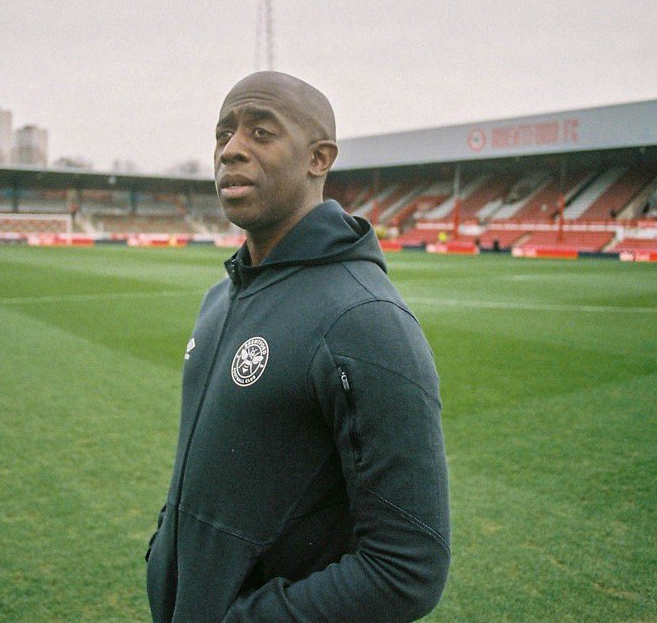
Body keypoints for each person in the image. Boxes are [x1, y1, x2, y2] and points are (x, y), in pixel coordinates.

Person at [145, 71, 450, 622]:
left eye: (261, 133)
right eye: (223, 134)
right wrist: (163, 556)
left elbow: (409, 568)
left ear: (319, 158)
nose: (231, 150)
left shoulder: (365, 320)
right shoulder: (221, 298)